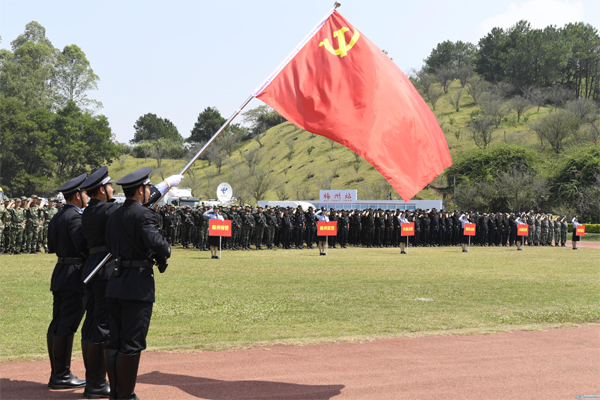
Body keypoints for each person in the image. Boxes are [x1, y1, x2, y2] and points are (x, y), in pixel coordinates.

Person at [104, 167, 172, 400]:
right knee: (132, 343)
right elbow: (157, 243)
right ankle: (126, 395)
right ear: (142, 190)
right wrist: (166, 250)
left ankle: (116, 392)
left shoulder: (114, 214)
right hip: (137, 285)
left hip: (115, 281)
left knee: (115, 340)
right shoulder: (143, 214)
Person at [47, 173, 89, 390]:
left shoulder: (58, 216)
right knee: (67, 324)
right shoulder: (74, 217)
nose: (88, 196)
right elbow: (83, 245)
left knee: (57, 323)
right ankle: (61, 375)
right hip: (75, 273)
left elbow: (52, 247)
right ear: (77, 195)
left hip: (61, 270)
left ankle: (57, 372)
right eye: (85, 193)